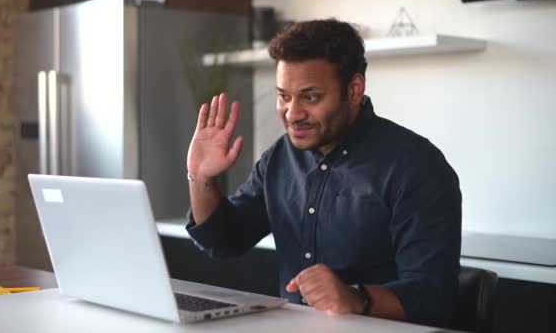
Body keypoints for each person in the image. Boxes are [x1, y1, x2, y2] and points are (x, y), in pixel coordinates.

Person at [185, 18, 461, 327]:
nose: (292, 114)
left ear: (354, 89)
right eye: (283, 96)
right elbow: (223, 241)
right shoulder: (280, 157)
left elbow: (435, 297)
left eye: (310, 97)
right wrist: (201, 178)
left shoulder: (417, 166)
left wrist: (355, 298)